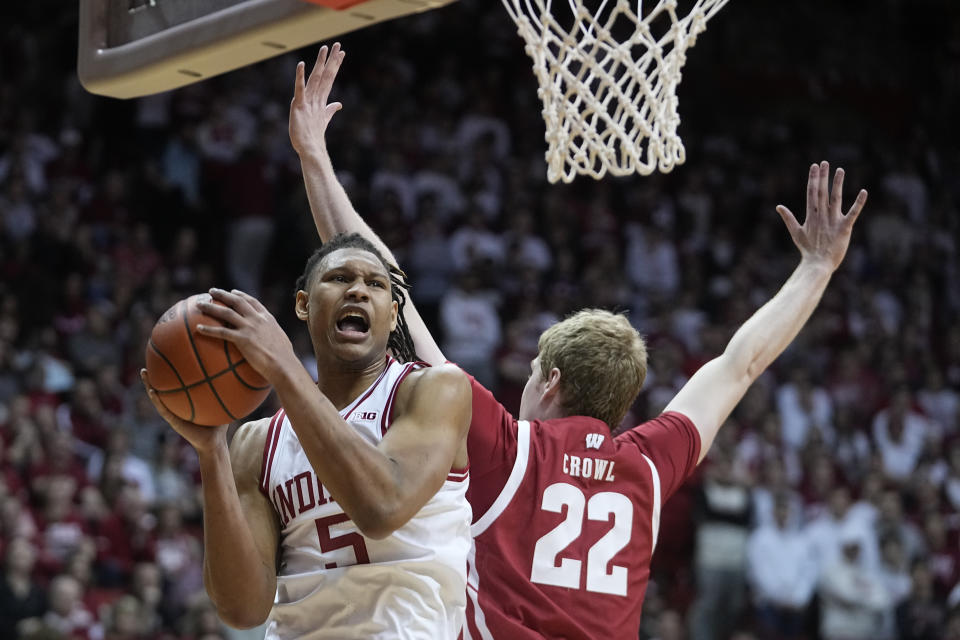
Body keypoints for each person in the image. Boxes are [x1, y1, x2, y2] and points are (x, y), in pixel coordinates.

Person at [290, 43, 867, 639]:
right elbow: (740, 365)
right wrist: (817, 269)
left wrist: (314, 159)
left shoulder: (509, 452)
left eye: (535, 369)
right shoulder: (645, 467)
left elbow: (394, 297)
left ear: (553, 381)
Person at [140, 231, 474, 638]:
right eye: (339, 279)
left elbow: (382, 508)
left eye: (376, 284)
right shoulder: (257, 442)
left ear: (391, 315)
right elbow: (243, 609)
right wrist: (211, 452)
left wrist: (284, 366)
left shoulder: (433, 390)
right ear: (303, 304)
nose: (357, 290)